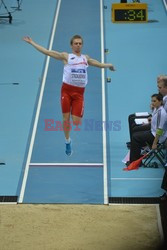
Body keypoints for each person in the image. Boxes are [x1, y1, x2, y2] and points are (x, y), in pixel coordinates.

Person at [23, 35, 115, 156]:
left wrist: (109, 65)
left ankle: (74, 120)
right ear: (71, 45)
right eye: (76, 43)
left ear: (82, 45)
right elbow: (47, 52)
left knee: (76, 122)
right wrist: (32, 42)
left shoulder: (85, 58)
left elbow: (98, 64)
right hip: (66, 91)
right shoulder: (66, 56)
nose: (78, 45)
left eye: (80, 43)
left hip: (79, 93)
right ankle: (67, 141)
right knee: (65, 119)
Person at [128, 93, 167, 164]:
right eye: (152, 101)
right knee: (136, 134)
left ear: (160, 101)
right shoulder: (157, 109)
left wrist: (155, 143)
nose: (152, 103)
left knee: (135, 137)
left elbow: (160, 130)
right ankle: (136, 158)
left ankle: (134, 162)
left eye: (154, 101)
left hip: (157, 137)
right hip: (153, 132)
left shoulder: (161, 113)